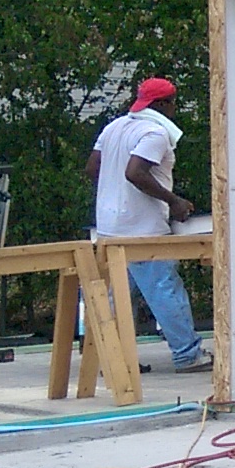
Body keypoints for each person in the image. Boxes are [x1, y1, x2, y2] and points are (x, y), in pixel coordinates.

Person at [87, 76, 207, 373]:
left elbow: (92, 168)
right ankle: (187, 355)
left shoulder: (114, 127)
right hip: (143, 228)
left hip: (109, 226)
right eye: (173, 103)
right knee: (164, 289)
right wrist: (174, 201)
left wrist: (113, 193)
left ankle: (114, 361)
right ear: (163, 104)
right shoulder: (155, 132)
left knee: (115, 295)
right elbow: (135, 172)